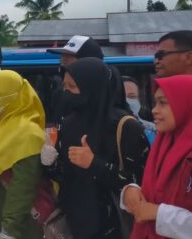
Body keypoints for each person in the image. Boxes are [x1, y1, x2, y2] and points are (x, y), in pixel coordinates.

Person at [41, 58, 149, 238]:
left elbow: (139, 182)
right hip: (75, 223)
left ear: (92, 89)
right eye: (64, 86)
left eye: (72, 87)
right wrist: (49, 162)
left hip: (115, 225)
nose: (65, 93)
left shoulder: (127, 127)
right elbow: (65, 177)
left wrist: (94, 164)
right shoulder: (68, 124)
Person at [121, 75, 192, 238]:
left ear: (189, 105)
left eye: (163, 103)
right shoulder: (164, 144)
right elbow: (160, 192)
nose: (154, 110)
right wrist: (131, 192)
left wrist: (159, 214)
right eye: (155, 102)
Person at [0, 69, 45, 239]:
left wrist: (9, 230)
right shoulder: (2, 124)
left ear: (9, 96)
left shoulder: (28, 133)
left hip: (16, 228)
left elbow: (23, 187)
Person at [46, 35, 104, 124]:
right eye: (62, 55)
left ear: (90, 63)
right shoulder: (59, 93)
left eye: (69, 56)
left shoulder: (108, 96)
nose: (63, 59)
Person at [123, 76, 156, 144]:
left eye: (131, 96)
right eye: (122, 97)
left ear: (139, 100)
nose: (126, 101)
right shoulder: (103, 129)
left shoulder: (152, 129)